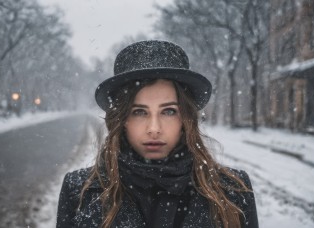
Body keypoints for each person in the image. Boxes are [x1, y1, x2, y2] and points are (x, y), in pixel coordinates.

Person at [56, 40, 258, 228]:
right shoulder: (79, 191)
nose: (154, 128)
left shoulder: (232, 191)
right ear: (122, 119)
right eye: (139, 112)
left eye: (169, 111)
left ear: (186, 118)